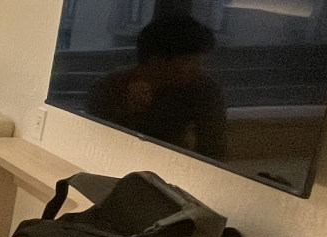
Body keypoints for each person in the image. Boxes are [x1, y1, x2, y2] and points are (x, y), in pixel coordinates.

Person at [86, 15, 229, 159]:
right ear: (156, 61)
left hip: (173, 163)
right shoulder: (111, 87)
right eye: (188, 61)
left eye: (201, 61)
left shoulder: (204, 89)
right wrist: (129, 110)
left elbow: (213, 149)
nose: (198, 69)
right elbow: (94, 143)